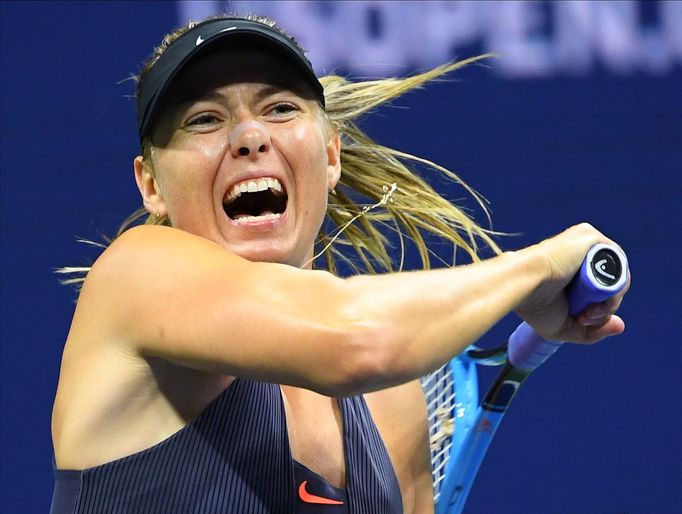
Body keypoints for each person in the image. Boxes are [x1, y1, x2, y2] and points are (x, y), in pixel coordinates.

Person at [49, 14, 628, 514]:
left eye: (279, 108)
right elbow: (358, 340)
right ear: (150, 185)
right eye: (204, 118)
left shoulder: (390, 400)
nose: (249, 135)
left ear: (329, 156)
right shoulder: (135, 276)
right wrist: (536, 269)